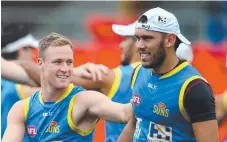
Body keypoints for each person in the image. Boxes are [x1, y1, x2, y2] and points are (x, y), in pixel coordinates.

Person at [2, 33, 132, 142]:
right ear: (41, 64)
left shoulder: (85, 100)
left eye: (69, 62)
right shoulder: (21, 109)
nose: (65, 69)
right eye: (57, 62)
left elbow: (127, 113)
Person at [118, 7, 219, 142]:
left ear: (170, 40)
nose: (139, 45)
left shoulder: (194, 87)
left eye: (147, 38)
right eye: (138, 38)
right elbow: (134, 125)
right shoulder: (138, 73)